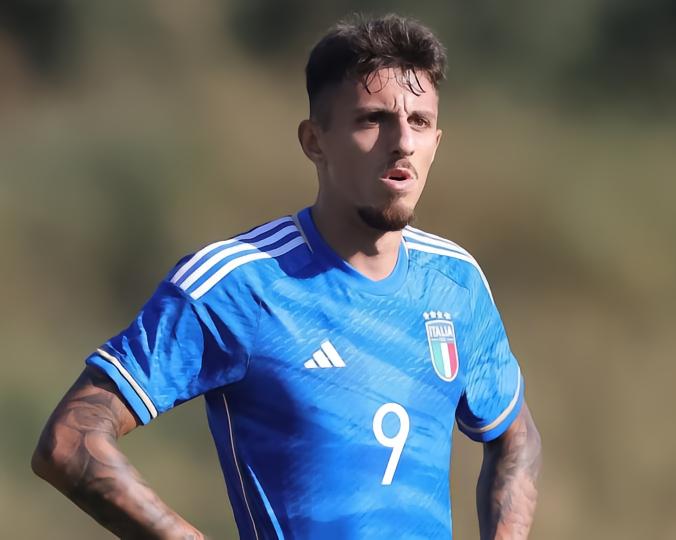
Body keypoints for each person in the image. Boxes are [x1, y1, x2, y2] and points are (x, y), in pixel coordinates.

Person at [32, 14, 541, 540]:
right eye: (373, 120)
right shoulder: (240, 284)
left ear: (436, 139)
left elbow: (517, 439)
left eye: (419, 121)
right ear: (314, 141)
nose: (402, 143)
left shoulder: (456, 283)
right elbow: (70, 441)